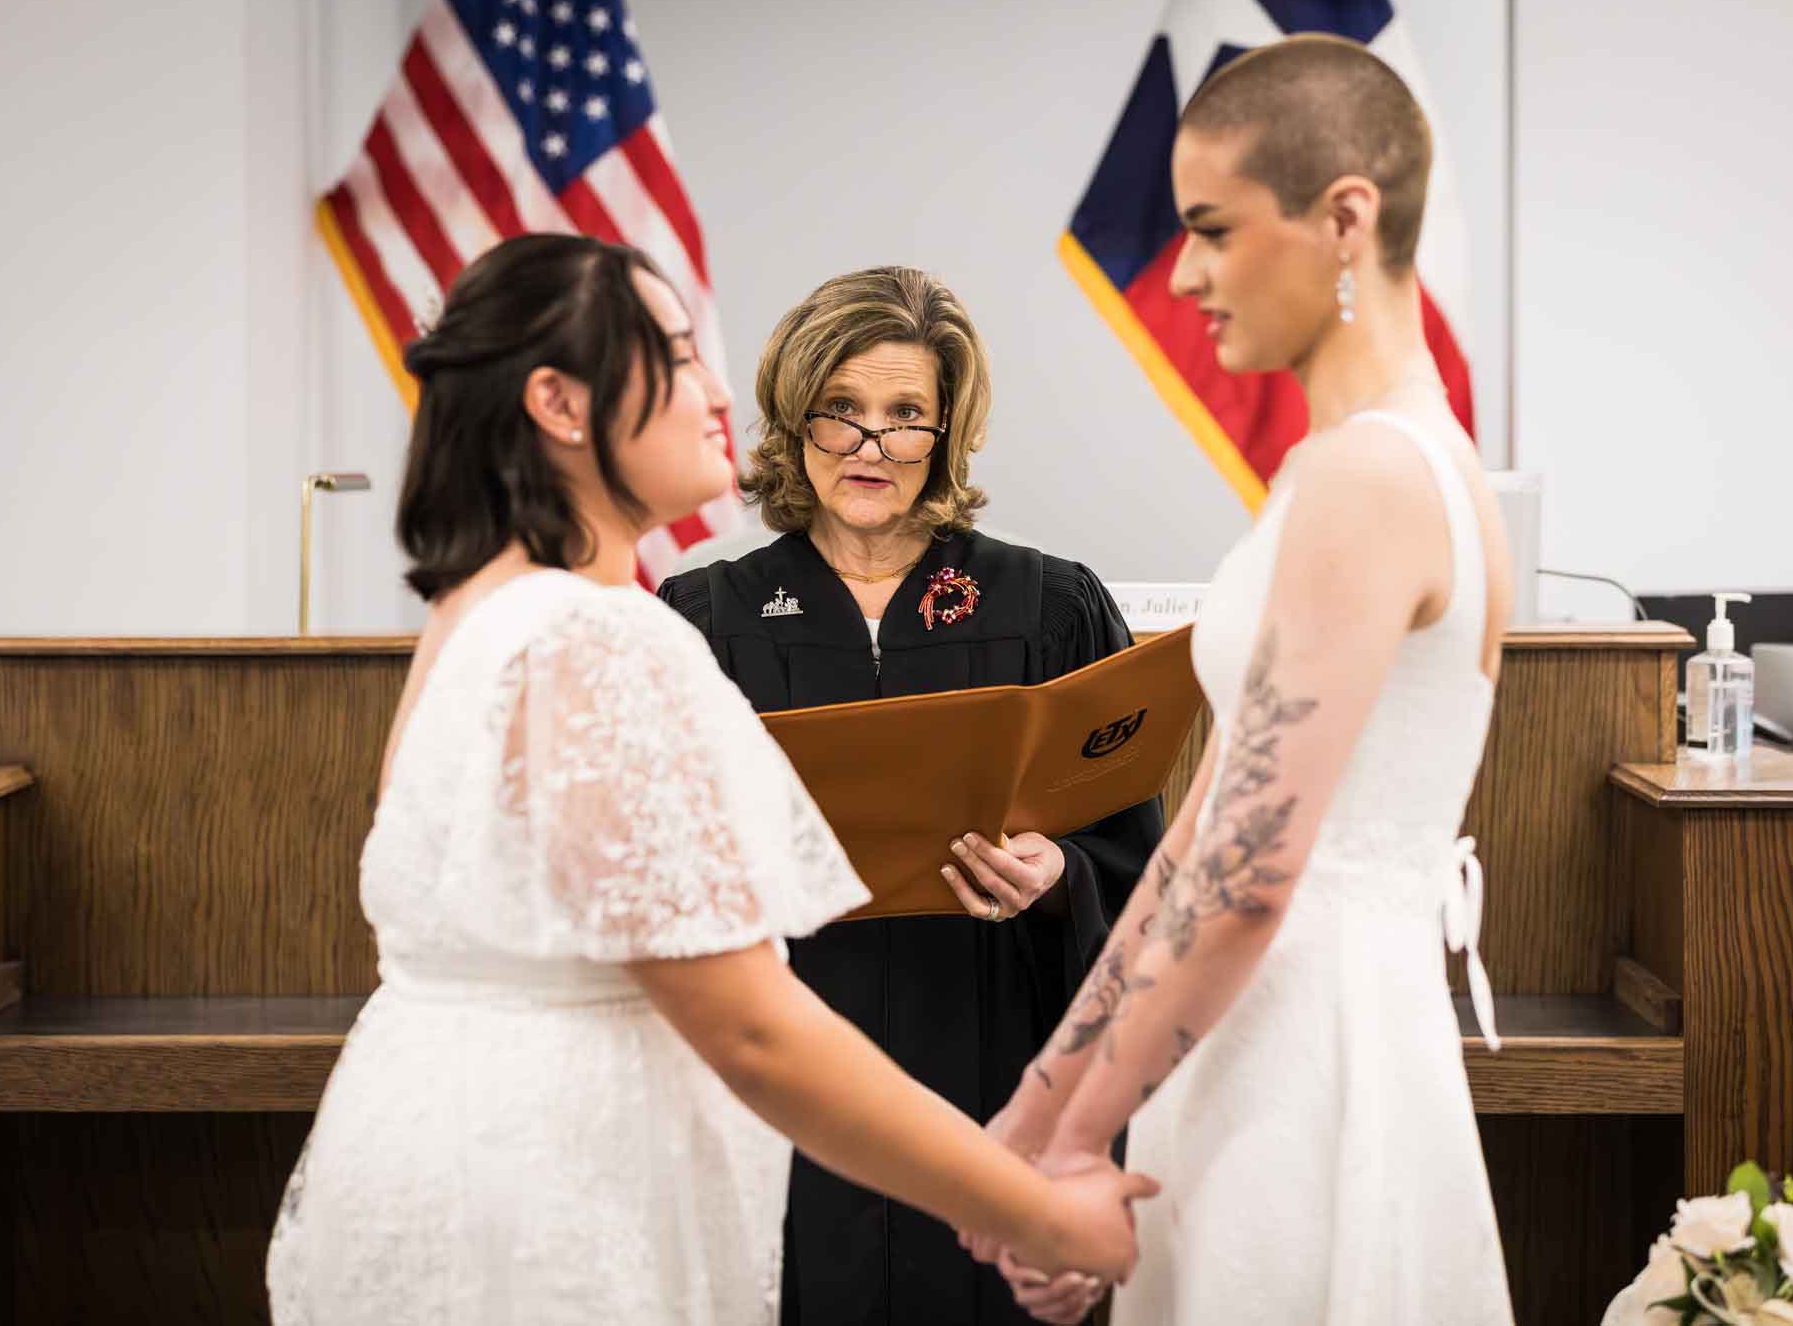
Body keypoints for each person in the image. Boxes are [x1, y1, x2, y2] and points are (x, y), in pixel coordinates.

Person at [264, 234, 1155, 1325]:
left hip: (439, 1146)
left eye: (904, 411)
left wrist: (1057, 869)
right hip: (562, 1185)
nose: (721, 391)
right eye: (680, 354)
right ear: (556, 403)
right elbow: (751, 1029)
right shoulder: (616, 636)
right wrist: (1038, 1213)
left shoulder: (477, 616)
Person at [970, 34, 1518, 1325]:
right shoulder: (1350, 469)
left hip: (1310, 1055)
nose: (1189, 273)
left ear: (1344, 219)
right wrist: (1034, 1113)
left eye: (1213, 229)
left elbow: (1252, 874)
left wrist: (1070, 1151)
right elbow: (1188, 850)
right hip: (1252, 1031)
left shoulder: (1368, 476)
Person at [657, 266, 1163, 1325]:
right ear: (795, 422)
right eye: (840, 411)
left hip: (988, 1035)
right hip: (791, 1051)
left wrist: (1059, 874)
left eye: (904, 418)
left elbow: (1131, 857)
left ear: (946, 435)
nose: (870, 447)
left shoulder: (1048, 604)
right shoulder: (705, 616)